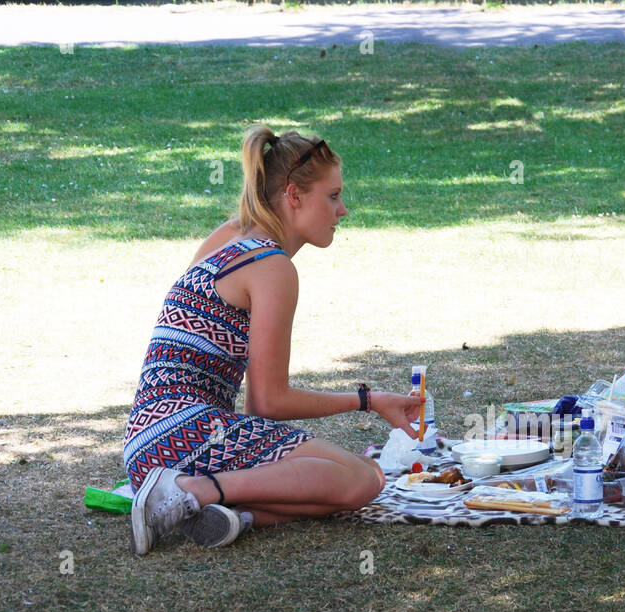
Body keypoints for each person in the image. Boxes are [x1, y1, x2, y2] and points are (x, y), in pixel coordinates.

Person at [122, 126, 423, 556]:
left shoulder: (231, 235)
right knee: (364, 479)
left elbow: (252, 408)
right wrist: (368, 400)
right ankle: (191, 493)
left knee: (325, 478)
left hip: (143, 444)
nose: (343, 210)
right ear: (294, 195)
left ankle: (225, 513)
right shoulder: (272, 265)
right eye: (333, 196)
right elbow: (267, 403)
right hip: (186, 435)